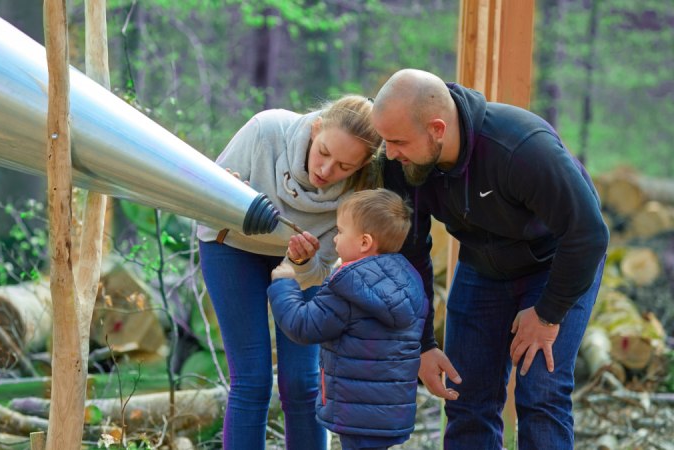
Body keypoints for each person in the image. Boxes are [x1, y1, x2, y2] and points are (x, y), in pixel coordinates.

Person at [370, 68, 609, 449]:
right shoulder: (399, 163)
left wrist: (547, 315)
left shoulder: (521, 147)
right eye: (386, 140)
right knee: (466, 394)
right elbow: (410, 251)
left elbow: (588, 234)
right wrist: (423, 343)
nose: (390, 153)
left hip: (555, 263)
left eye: (398, 141)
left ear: (437, 129)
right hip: (483, 264)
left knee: (541, 391)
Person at [197, 95, 383, 450]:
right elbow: (204, 202)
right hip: (232, 248)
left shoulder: (361, 191)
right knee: (252, 379)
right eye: (324, 152)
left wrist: (303, 263)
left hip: (301, 266)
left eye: (344, 166)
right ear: (316, 128)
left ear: (361, 166)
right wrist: (223, 195)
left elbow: (321, 270)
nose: (327, 170)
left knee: (302, 381)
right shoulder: (267, 131)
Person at [267, 188, 428, 450]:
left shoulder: (348, 286)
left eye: (340, 232)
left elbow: (303, 326)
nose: (335, 240)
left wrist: (284, 285)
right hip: (391, 412)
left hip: (355, 410)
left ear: (364, 242)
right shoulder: (408, 280)